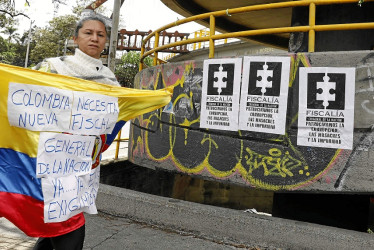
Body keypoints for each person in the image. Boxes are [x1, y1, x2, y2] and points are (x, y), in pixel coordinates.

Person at [33, 14, 120, 250]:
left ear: (106, 42)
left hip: (84, 164)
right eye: (88, 33)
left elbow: (115, 118)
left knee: (58, 221)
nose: (94, 38)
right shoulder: (52, 67)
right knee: (65, 222)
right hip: (51, 161)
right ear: (75, 38)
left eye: (100, 35)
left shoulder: (109, 79)